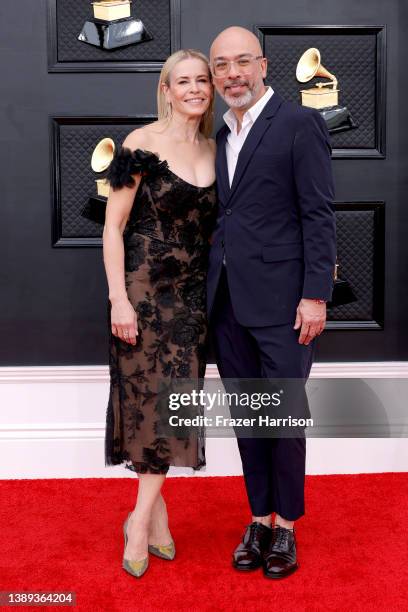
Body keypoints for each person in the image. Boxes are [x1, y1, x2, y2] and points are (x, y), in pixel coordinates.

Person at [207, 27, 336, 578]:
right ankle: (258, 518)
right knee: (248, 419)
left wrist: (315, 295)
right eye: (221, 66)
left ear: (261, 64)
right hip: (228, 304)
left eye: (241, 62)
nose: (232, 73)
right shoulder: (218, 136)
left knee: (283, 419)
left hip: (286, 305)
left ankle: (287, 529)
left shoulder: (299, 123)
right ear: (214, 76)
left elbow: (319, 214)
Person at [102, 49, 217, 578]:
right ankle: (143, 522)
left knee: (174, 410)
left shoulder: (220, 149)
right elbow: (113, 228)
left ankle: (149, 517)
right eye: (183, 81)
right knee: (150, 408)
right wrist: (118, 299)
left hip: (192, 300)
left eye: (202, 80)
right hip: (143, 293)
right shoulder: (140, 144)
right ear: (166, 90)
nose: (194, 88)